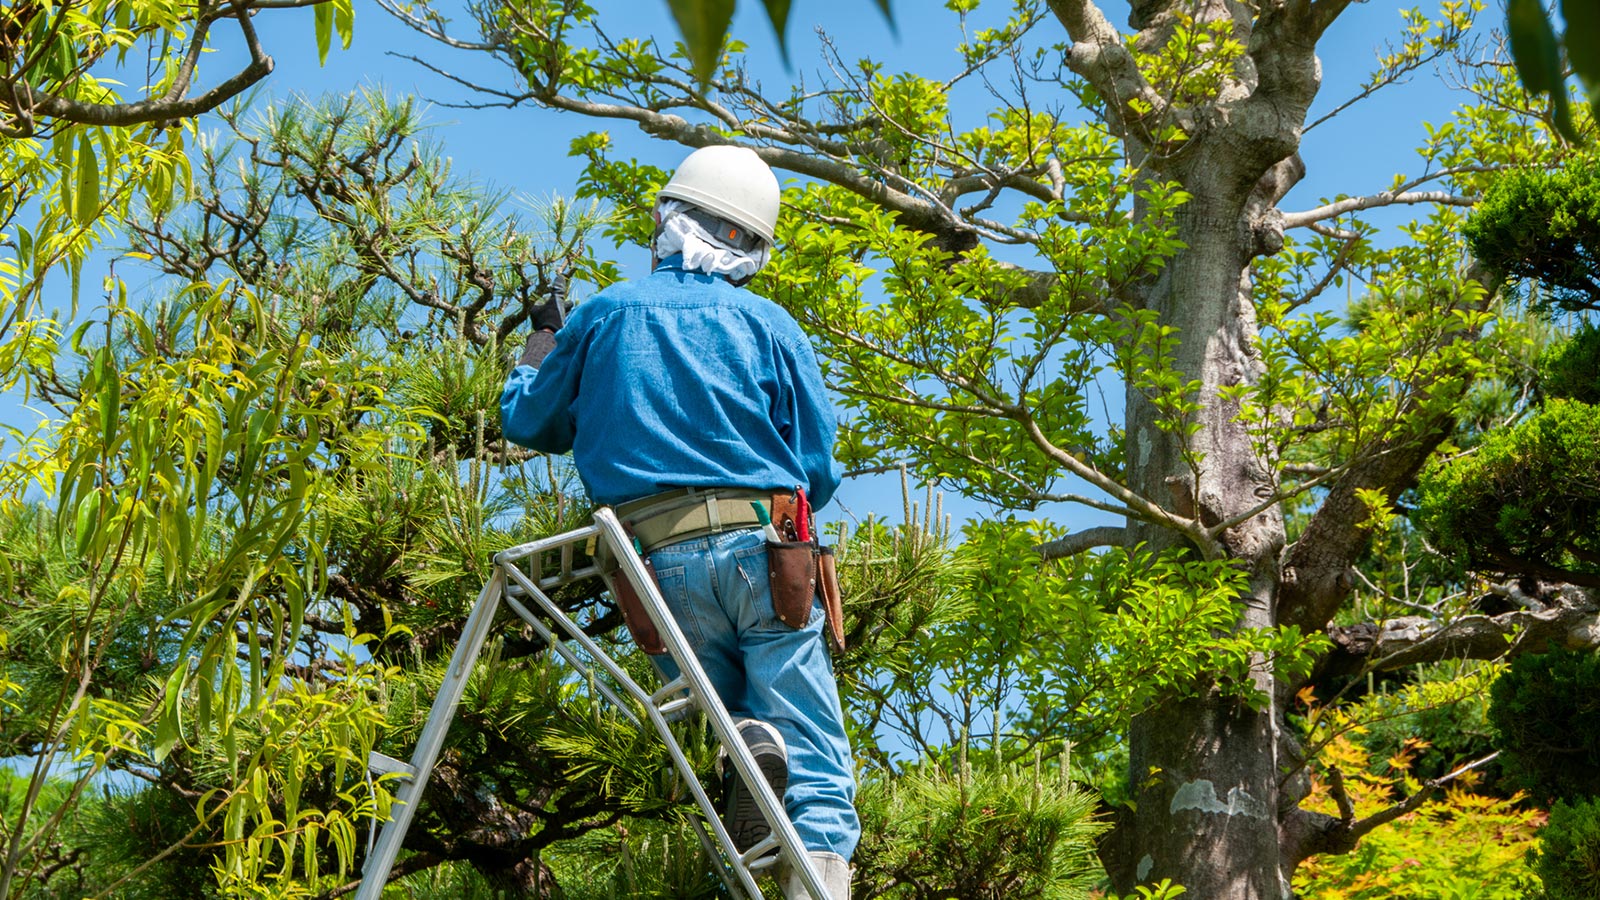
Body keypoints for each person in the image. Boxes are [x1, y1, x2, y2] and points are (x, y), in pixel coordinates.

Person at [499, 145, 857, 900]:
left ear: (666, 221)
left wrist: (539, 352)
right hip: (765, 555)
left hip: (652, 567)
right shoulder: (769, 324)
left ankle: (746, 745)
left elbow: (532, 423)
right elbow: (818, 470)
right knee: (810, 746)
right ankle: (817, 877)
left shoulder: (602, 315)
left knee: (725, 734)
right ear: (752, 249)